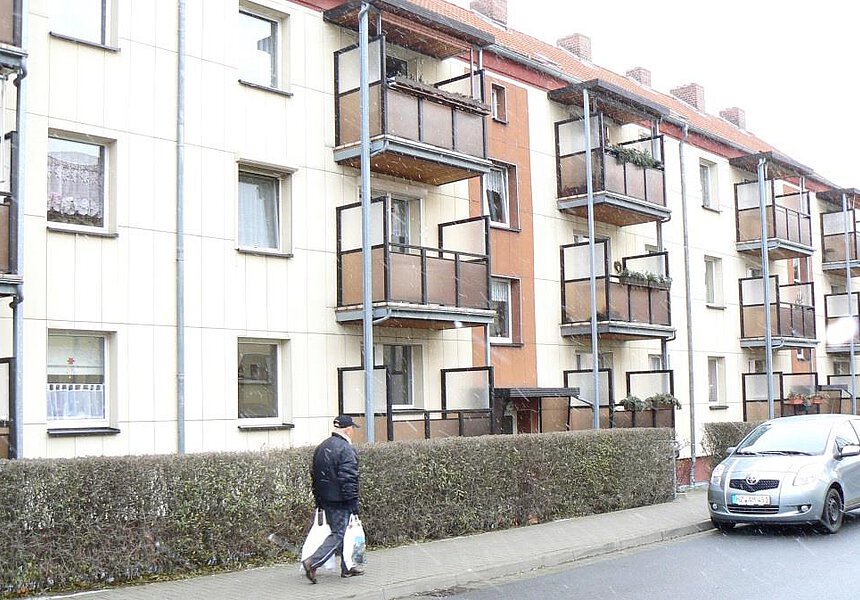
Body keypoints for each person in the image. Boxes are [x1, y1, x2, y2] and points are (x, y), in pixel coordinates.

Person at [302, 414, 363, 583]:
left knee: (343, 532)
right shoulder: (346, 449)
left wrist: (319, 500)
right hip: (340, 500)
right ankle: (312, 562)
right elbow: (348, 478)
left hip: (326, 499)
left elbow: (315, 476)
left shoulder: (322, 447)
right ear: (348, 430)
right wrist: (352, 502)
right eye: (352, 429)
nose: (353, 432)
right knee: (339, 534)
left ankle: (347, 567)